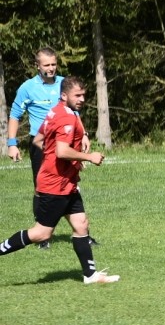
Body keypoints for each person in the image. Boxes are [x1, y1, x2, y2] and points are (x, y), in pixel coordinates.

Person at [0, 77, 119, 284]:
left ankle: (90, 275)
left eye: (83, 95)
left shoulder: (56, 111)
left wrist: (65, 160)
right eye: (77, 95)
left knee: (81, 224)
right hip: (55, 185)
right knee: (41, 234)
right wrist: (88, 157)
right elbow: (62, 151)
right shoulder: (66, 118)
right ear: (64, 95)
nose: (82, 99)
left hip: (66, 182)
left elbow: (39, 140)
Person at [6, 47, 99, 247]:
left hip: (66, 141)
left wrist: (83, 134)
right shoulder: (27, 88)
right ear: (37, 66)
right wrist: (12, 144)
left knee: (70, 184)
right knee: (42, 189)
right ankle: (43, 235)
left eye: (54, 64)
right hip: (41, 144)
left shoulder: (64, 84)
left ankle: (82, 233)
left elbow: (74, 112)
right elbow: (15, 115)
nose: (51, 68)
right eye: (46, 65)